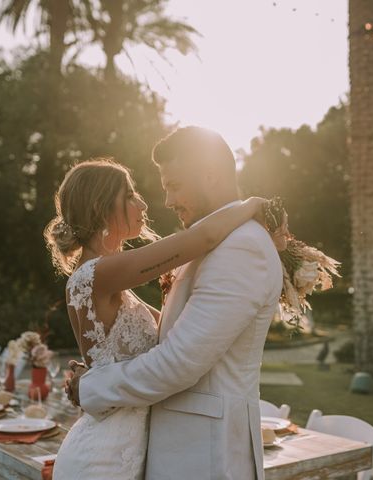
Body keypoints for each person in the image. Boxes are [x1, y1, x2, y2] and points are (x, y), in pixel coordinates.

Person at [44, 151, 279, 479]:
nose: (143, 205)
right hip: (103, 456)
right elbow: (203, 237)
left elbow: (172, 328)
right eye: (129, 195)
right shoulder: (96, 273)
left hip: (133, 448)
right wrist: (252, 206)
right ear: (100, 207)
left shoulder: (113, 280)